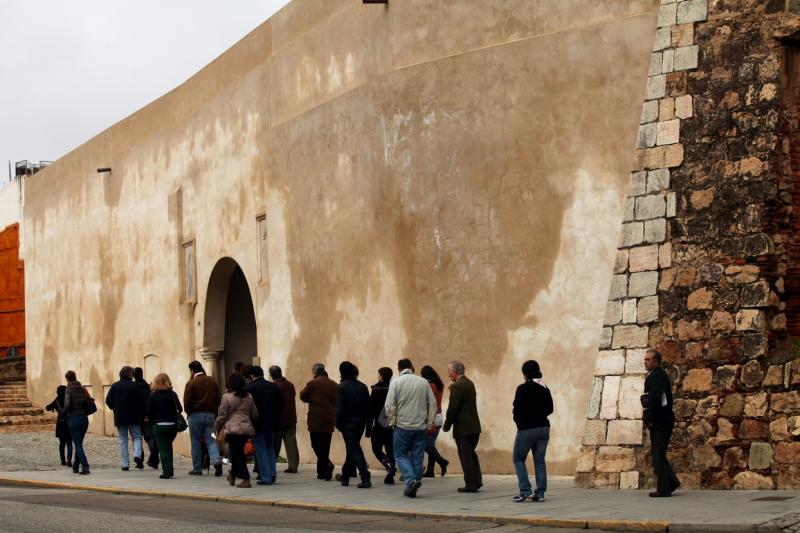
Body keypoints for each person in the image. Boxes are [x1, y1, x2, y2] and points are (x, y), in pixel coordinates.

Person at [384, 358, 436, 498]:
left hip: (403, 426)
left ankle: (411, 480)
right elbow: (432, 404)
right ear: (412, 367)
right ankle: (414, 482)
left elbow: (389, 406)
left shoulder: (395, 382)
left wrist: (393, 422)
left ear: (398, 369)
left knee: (400, 454)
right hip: (420, 426)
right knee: (418, 456)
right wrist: (430, 423)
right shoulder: (423, 382)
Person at [511, 360, 553, 503]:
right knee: (540, 461)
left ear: (525, 373)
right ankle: (540, 493)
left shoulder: (522, 388)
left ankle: (525, 491)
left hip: (527, 429)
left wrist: (520, 422)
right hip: (544, 428)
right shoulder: (544, 387)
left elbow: (516, 410)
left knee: (518, 458)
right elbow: (550, 409)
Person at [643, 348, 679, 497]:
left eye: (648, 360)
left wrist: (649, 418)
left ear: (656, 361)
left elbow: (656, 400)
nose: (645, 362)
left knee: (658, 455)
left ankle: (664, 488)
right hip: (662, 420)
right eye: (645, 359)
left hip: (660, 421)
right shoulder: (656, 375)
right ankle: (671, 482)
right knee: (658, 454)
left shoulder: (657, 376)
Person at [442, 360, 482, 493]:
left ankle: (471, 485)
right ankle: (477, 481)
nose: (448, 375)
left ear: (454, 372)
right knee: (471, 455)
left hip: (463, 428)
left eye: (449, 372)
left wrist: (446, 425)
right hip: (474, 427)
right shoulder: (469, 383)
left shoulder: (457, 387)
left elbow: (452, 409)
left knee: (466, 457)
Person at [215, 372, 259, 488]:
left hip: (232, 429)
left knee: (238, 454)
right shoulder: (248, 396)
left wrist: (216, 427)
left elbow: (222, 416)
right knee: (236, 452)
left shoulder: (227, 397)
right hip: (246, 428)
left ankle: (246, 479)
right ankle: (233, 476)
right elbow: (255, 414)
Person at [244, 365, 283, 485]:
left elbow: (248, 408)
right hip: (273, 423)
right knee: (270, 448)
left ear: (251, 376)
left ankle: (265, 477)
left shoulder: (250, 389)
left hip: (258, 424)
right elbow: (281, 405)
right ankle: (272, 473)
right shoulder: (273, 387)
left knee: (260, 450)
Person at [335, 361, 371, 488]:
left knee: (354, 449)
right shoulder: (363, 386)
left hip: (347, 424)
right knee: (351, 449)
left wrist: (338, 424)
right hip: (360, 423)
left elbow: (339, 409)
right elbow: (368, 407)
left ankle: (365, 475)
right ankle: (345, 476)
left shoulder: (341, 387)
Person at [184, 360, 223, 476]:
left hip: (195, 415)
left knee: (195, 442)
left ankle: (197, 468)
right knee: (211, 440)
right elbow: (217, 398)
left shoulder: (191, 383)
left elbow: (187, 402)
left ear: (192, 370)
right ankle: (216, 461)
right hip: (210, 414)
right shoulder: (212, 381)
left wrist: (189, 412)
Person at [299, 363, 337, 481]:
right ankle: (322, 471)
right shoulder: (334, 384)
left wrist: (311, 399)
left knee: (315, 444)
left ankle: (326, 464)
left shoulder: (313, 383)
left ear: (315, 372)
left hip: (316, 418)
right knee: (325, 446)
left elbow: (302, 395)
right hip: (329, 418)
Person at [105, 366, 146, 471]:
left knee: (123, 440)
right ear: (129, 374)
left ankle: (125, 464)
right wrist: (142, 413)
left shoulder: (115, 386)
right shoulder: (134, 386)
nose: (133, 375)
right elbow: (142, 401)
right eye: (132, 373)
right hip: (134, 416)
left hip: (120, 417)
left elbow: (108, 401)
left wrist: (115, 408)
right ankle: (137, 454)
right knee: (136, 437)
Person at [145, 373, 183, 479]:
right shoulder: (172, 394)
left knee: (163, 449)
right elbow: (180, 409)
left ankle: (166, 472)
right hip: (172, 426)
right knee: (168, 447)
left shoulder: (153, 395)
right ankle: (170, 469)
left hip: (159, 425)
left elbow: (148, 412)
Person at [365, 367, 395, 484]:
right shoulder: (394, 388)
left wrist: (368, 430)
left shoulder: (376, 390)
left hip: (378, 426)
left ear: (381, 376)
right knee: (390, 449)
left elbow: (370, 411)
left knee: (376, 449)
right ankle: (390, 471)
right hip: (391, 425)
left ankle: (388, 466)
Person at [269, 365, 299, 474]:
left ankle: (271, 465)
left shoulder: (274, 386)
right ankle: (293, 466)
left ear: (271, 375)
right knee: (291, 442)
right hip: (291, 417)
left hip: (279, 419)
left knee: (275, 444)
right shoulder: (290, 384)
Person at [420, 365, 449, 478]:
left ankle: (442, 462)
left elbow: (430, 404)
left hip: (432, 417)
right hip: (439, 416)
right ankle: (430, 470)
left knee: (427, 445)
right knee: (430, 444)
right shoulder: (439, 384)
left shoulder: (430, 385)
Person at [63, 370, 90, 475]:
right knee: (79, 444)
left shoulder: (68, 389)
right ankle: (75, 466)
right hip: (84, 418)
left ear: (67, 379)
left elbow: (67, 405)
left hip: (73, 418)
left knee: (78, 445)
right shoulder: (82, 388)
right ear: (75, 377)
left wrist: (62, 414)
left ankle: (85, 465)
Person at [134, 367, 158, 469]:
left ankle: (139, 460)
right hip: (148, 416)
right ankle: (154, 459)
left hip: (136, 416)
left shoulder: (133, 387)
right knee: (149, 437)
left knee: (137, 437)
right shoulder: (148, 387)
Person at [45, 385, 73, 467]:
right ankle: (69, 459)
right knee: (69, 442)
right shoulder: (69, 399)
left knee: (62, 443)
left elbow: (47, 407)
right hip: (69, 422)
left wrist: (54, 408)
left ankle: (63, 460)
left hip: (60, 423)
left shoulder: (56, 401)